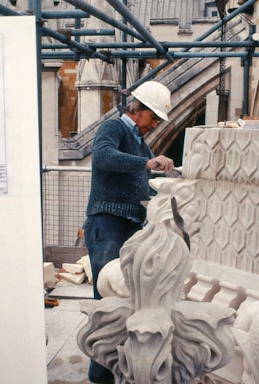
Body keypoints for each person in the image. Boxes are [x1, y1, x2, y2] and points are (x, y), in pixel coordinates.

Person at [83, 81, 174, 384]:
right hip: (107, 224)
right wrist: (148, 162)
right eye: (154, 117)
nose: (155, 124)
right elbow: (104, 157)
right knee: (107, 300)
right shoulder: (114, 129)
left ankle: (115, 367)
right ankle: (100, 375)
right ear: (138, 109)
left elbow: (141, 176)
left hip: (129, 228)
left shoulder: (140, 142)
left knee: (124, 298)